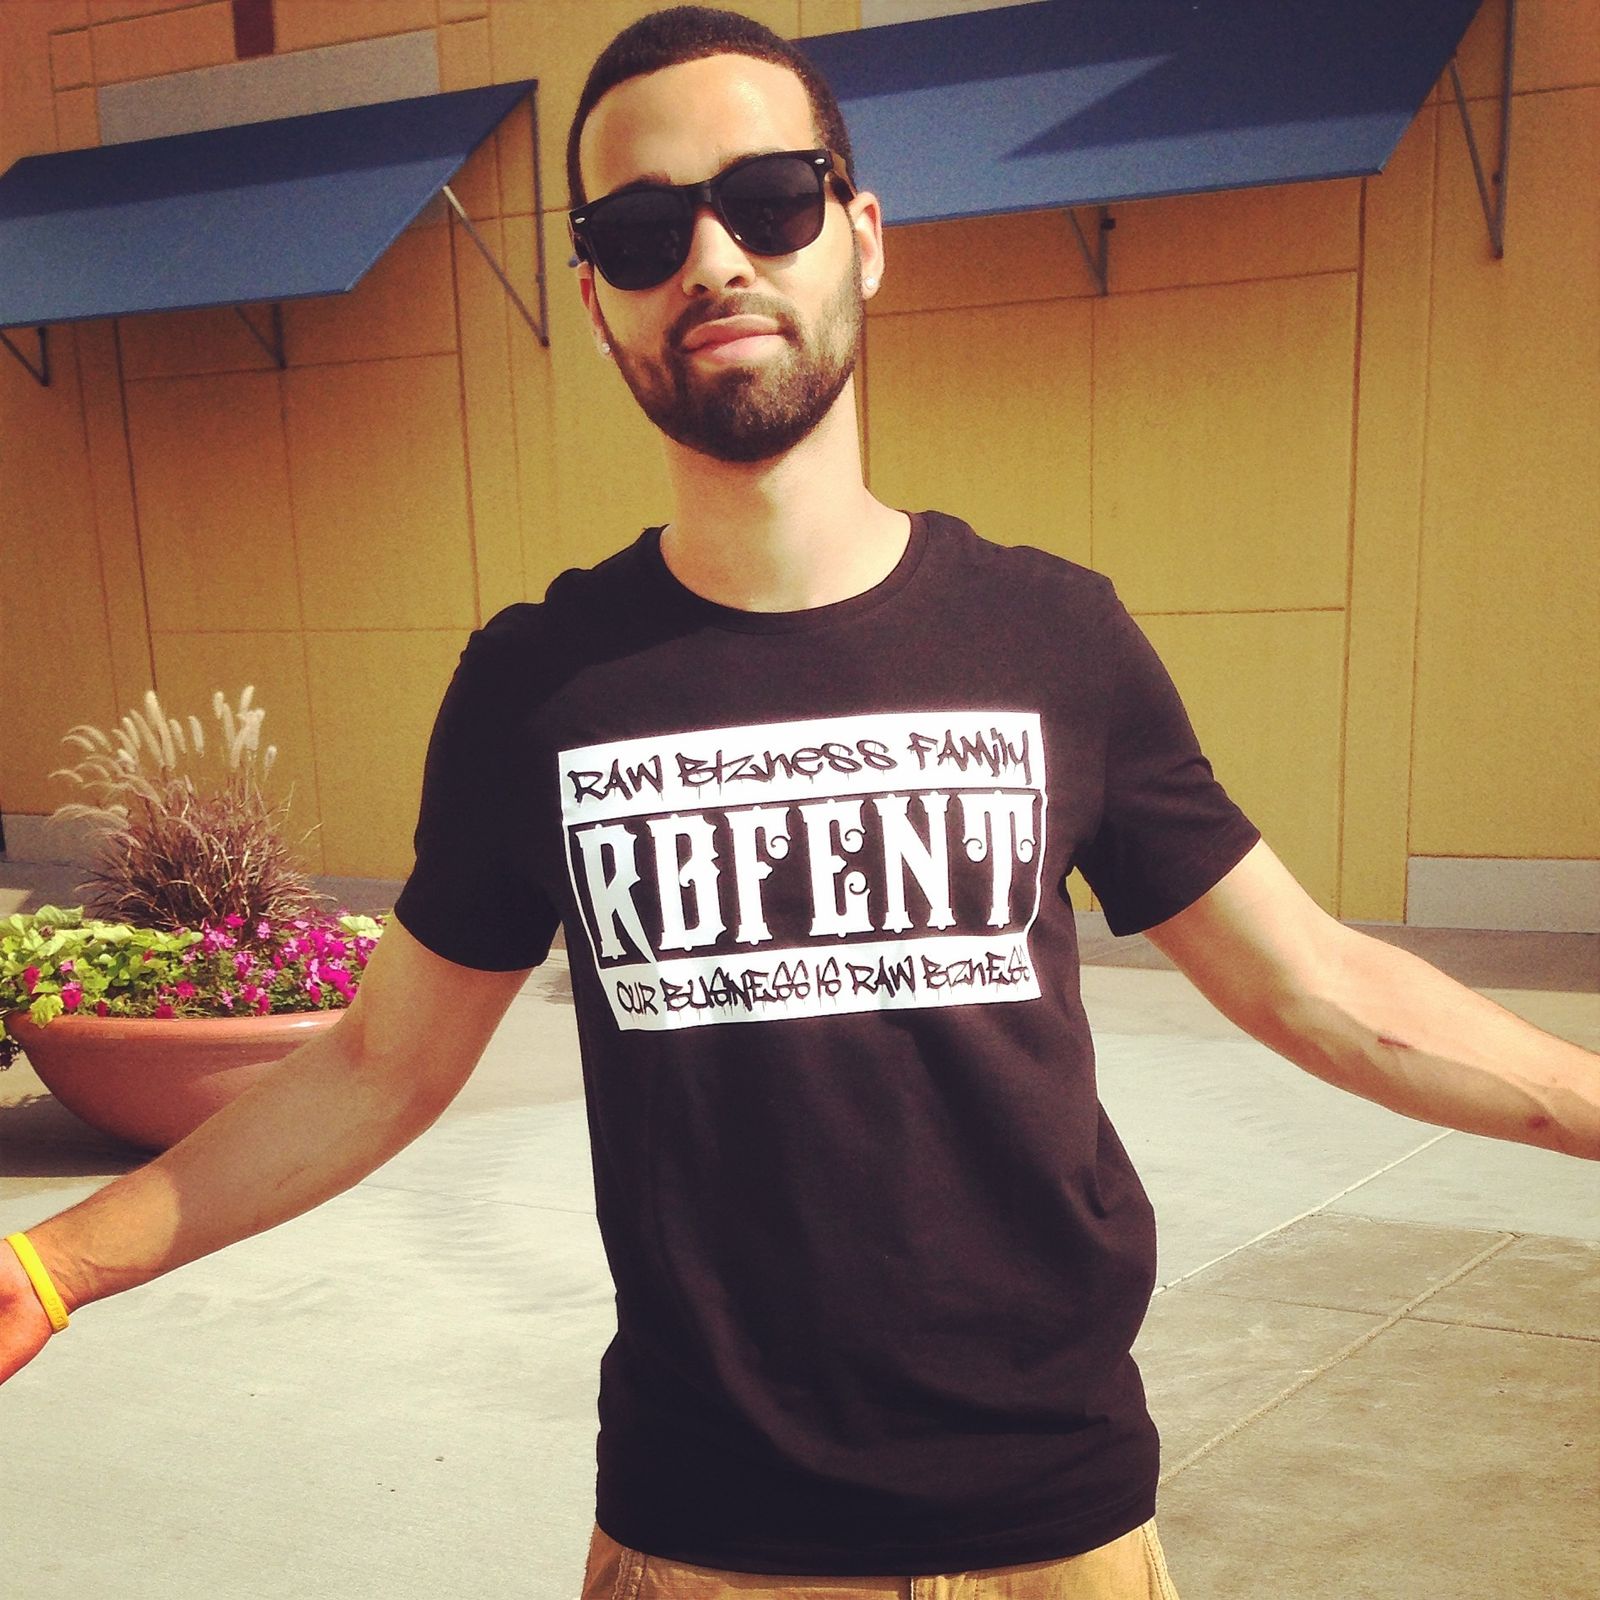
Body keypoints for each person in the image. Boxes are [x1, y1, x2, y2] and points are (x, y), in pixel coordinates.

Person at [3, 8, 1595, 1597]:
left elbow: (1317, 982)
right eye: (643, 231)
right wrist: (51, 1266)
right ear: (595, 300)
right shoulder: (539, 689)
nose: (712, 259)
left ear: (862, 236)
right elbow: (377, 1066)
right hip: (707, 1545)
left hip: (1056, 1534)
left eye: (768, 200)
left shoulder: (1051, 636)